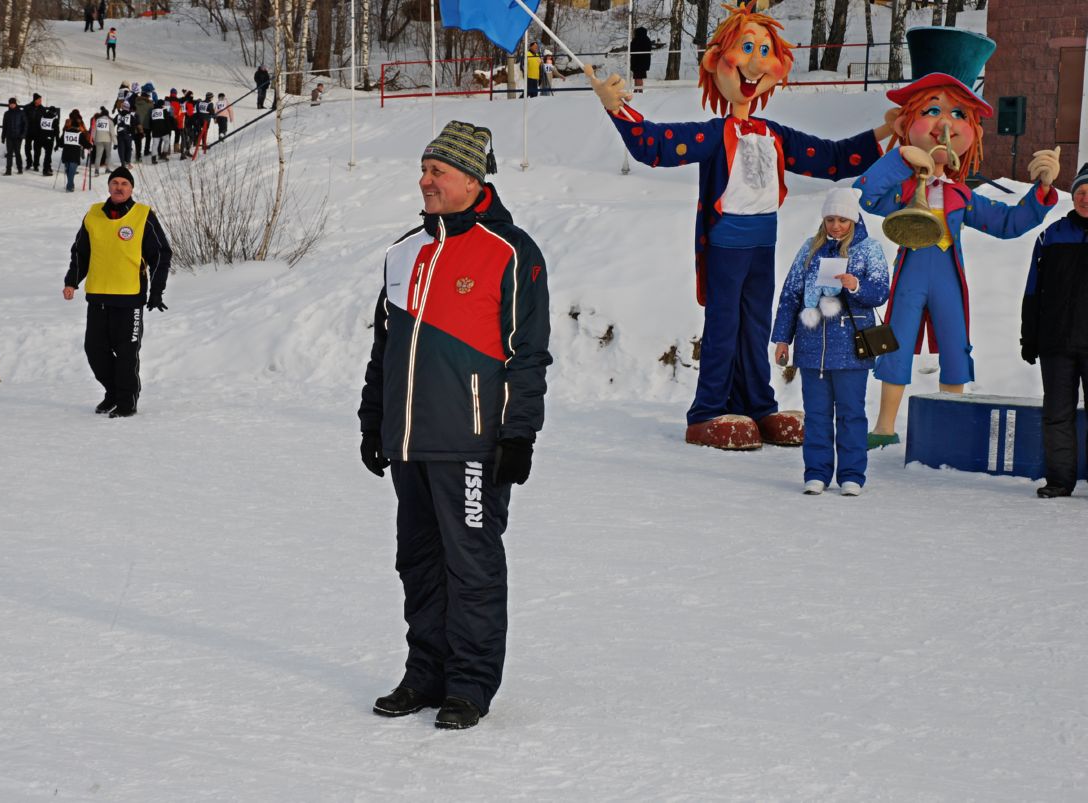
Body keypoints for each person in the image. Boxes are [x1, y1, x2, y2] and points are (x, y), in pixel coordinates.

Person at [586, 3, 890, 451]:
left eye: (764, 50)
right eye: (745, 48)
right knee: (724, 324)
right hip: (726, 245)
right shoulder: (713, 133)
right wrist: (618, 110)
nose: (754, 62)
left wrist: (885, 132)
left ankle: (758, 404)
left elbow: (829, 157)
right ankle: (708, 409)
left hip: (763, 244)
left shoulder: (775, 135)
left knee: (755, 323)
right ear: (715, 62)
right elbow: (657, 146)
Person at [358, 121, 552, 730]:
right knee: (416, 561)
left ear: (472, 179)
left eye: (436, 172)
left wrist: (519, 433)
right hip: (410, 442)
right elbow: (383, 349)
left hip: (473, 442)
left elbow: (528, 354)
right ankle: (426, 675)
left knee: (471, 565)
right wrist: (374, 419)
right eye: (423, 170)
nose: (425, 181)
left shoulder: (511, 252)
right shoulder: (402, 250)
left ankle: (469, 685)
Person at [857, 27, 1060, 447]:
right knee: (894, 344)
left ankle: (950, 425)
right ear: (906, 121)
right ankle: (884, 426)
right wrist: (900, 159)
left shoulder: (961, 194)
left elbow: (1007, 224)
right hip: (912, 268)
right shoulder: (899, 185)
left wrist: (1041, 191)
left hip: (948, 272)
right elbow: (866, 196)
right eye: (932, 110)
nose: (945, 126)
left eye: (958, 115)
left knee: (955, 345)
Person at [771, 187, 890, 495]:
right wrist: (782, 339)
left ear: (854, 219)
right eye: (830, 219)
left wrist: (856, 285)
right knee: (817, 415)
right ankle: (817, 473)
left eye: (843, 219)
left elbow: (880, 291)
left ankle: (851, 475)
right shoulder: (810, 249)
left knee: (851, 413)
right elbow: (791, 296)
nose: (836, 225)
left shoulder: (869, 249)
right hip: (812, 347)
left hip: (852, 347)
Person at [63, 166, 172, 418]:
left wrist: (156, 290)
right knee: (95, 351)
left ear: (131, 189)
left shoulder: (142, 215)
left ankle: (126, 402)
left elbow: (161, 254)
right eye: (115, 183)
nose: (119, 187)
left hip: (129, 298)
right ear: (109, 187)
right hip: (98, 297)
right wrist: (72, 281)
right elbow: (80, 252)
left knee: (126, 354)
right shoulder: (93, 215)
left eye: (124, 183)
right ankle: (112, 392)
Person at [1020, 163, 1088, 498]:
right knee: (1057, 415)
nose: (1086, 198)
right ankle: (1060, 481)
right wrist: (1029, 337)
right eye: (1081, 192)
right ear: (1073, 196)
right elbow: (1033, 291)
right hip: (1057, 343)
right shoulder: (1051, 235)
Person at [59, 109, 92, 192]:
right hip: (74, 154)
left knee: (68, 170)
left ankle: (70, 184)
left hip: (66, 154)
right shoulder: (79, 133)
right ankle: (70, 186)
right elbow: (84, 143)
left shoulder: (66, 132)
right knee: (72, 171)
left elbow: (60, 143)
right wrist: (90, 146)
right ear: (77, 126)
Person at [1, 97, 27, 176]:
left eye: (13, 104)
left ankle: (20, 169)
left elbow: (25, 124)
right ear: (9, 104)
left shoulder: (21, 113)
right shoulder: (7, 113)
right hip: (9, 136)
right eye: (10, 104)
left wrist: (23, 135)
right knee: (9, 153)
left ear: (15, 104)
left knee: (17, 153)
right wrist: (3, 136)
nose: (12, 105)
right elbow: (4, 126)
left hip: (18, 137)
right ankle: (8, 170)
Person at [36, 104, 61, 176]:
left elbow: (38, 128)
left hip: (40, 138)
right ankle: (45, 170)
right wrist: (57, 143)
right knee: (48, 155)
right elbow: (57, 132)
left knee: (45, 154)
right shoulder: (54, 119)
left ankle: (48, 167)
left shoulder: (42, 117)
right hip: (49, 139)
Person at [22, 93, 43, 171]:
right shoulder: (27, 107)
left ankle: (36, 165)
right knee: (27, 148)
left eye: (41, 100)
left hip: (38, 132)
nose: (40, 101)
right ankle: (29, 162)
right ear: (35, 100)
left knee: (37, 149)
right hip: (28, 131)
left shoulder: (42, 109)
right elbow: (23, 119)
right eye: (39, 99)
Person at [90, 106, 114, 174]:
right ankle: (107, 169)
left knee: (98, 156)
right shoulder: (110, 121)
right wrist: (115, 142)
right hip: (108, 140)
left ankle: (96, 170)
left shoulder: (97, 120)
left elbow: (93, 130)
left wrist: (94, 139)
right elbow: (112, 132)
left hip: (98, 140)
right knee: (108, 155)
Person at [629, 26, 652, 94]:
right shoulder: (647, 39)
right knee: (640, 76)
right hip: (644, 61)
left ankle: (637, 89)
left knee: (637, 76)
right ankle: (638, 89)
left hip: (636, 61)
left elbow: (631, 50)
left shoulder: (635, 40)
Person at [148, 98, 172, 162]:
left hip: (155, 130)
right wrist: (169, 129)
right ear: (162, 105)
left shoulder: (152, 111)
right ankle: (164, 155)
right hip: (163, 130)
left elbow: (150, 121)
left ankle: (153, 158)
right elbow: (168, 121)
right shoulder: (164, 110)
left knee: (155, 144)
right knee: (167, 141)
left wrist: (152, 129)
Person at [114, 101, 135, 168]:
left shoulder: (118, 116)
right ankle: (128, 162)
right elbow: (133, 126)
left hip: (120, 135)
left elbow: (112, 124)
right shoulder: (130, 116)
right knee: (128, 149)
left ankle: (123, 163)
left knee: (121, 149)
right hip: (128, 135)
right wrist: (133, 135)